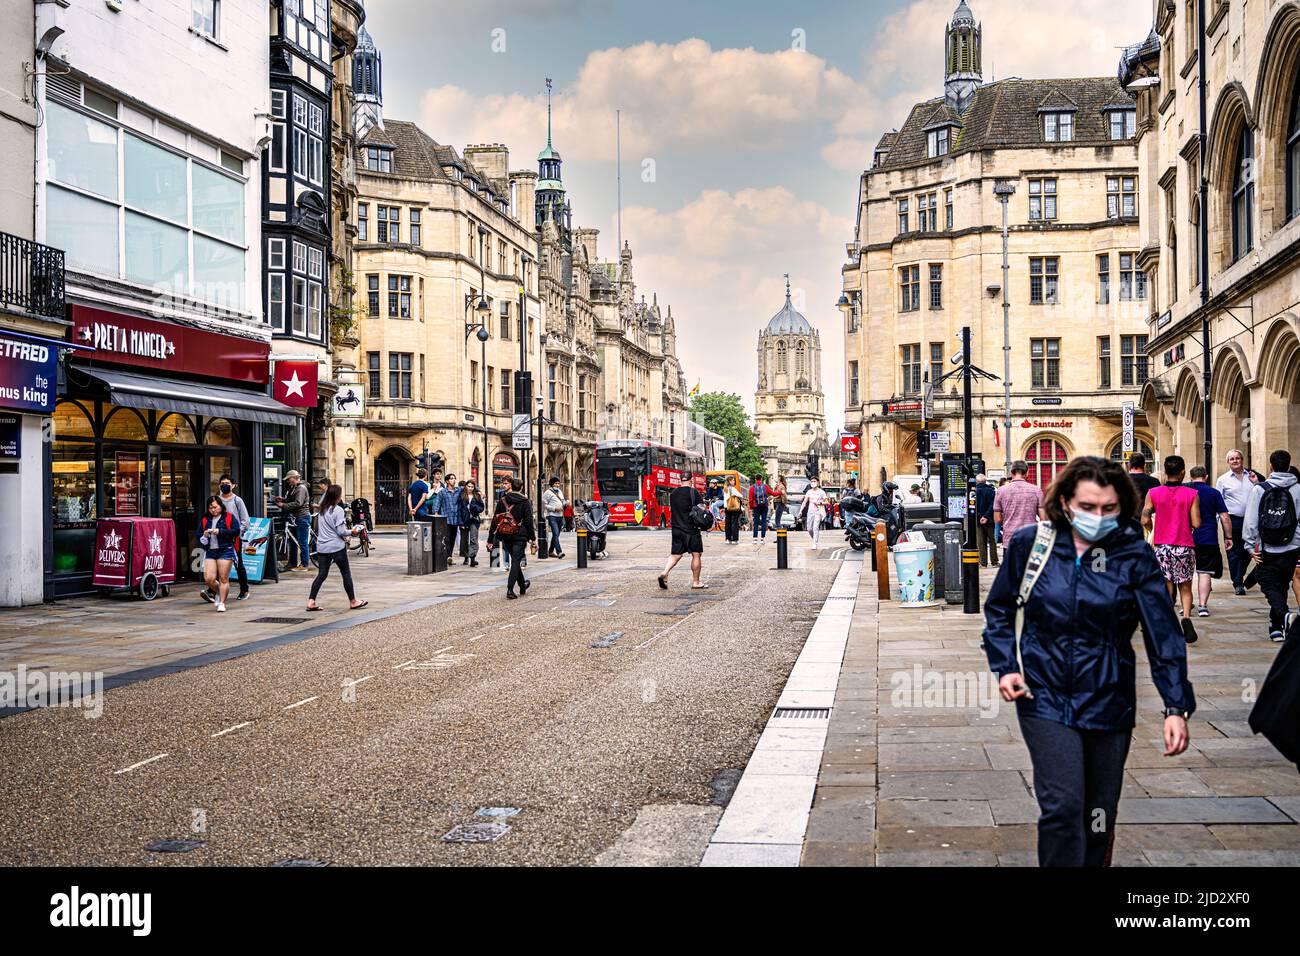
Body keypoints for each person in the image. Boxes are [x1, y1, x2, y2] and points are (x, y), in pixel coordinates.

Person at [983, 455, 1194, 867]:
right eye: (1087, 507)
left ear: (1123, 508)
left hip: (1109, 698)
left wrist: (1175, 706)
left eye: (1109, 509)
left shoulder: (1133, 555)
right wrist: (1006, 665)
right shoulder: (1032, 545)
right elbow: (1000, 610)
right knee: (1062, 806)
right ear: (1064, 503)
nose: (1098, 517)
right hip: (1043, 695)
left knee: (1098, 814)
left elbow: (1163, 634)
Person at [1242, 449, 1300, 642]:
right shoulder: (1298, 488)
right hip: (1293, 546)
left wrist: (1250, 546)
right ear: (1289, 465)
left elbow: (1251, 521)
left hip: (1266, 547)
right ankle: (1276, 628)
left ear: (1271, 466)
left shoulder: (1260, 489)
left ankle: (1284, 615)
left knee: (1268, 583)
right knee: (1282, 585)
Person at [1143, 455, 1202, 643]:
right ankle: (1186, 618)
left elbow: (1144, 518)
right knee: (1185, 587)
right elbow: (1196, 522)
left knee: (1166, 586)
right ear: (1183, 472)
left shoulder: (1153, 493)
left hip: (1162, 546)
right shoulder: (1192, 494)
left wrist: (1153, 528)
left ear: (1165, 471)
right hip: (1184, 545)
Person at [306, 484, 367, 612]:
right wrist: (353, 532)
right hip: (336, 547)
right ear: (337, 496)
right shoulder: (338, 510)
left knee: (322, 574)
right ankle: (353, 601)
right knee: (345, 573)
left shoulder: (322, 509)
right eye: (340, 494)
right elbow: (340, 531)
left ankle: (311, 601)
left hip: (322, 547)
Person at [1189, 465, 1231, 618]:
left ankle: (1187, 604)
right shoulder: (1214, 493)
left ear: (1191, 478)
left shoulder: (1187, 492)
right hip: (1208, 537)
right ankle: (1202, 606)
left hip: (1186, 537)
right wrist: (1229, 537)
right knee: (1204, 572)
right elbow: (1225, 517)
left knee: (1186, 575)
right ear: (1206, 477)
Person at [486, 476, 537, 599]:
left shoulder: (502, 500)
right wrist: (533, 539)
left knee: (515, 560)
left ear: (511, 486)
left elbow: (495, 520)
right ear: (521, 487)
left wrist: (490, 539)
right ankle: (510, 589)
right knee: (516, 560)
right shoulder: (524, 501)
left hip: (505, 534)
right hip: (520, 535)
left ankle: (523, 584)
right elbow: (529, 521)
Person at [1216, 449, 1259, 594]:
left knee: (1248, 551)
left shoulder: (1252, 476)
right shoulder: (1223, 479)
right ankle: (1238, 583)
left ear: (1242, 460)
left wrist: (1257, 482)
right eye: (1232, 459)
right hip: (1232, 520)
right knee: (1233, 551)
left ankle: (1239, 576)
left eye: (1237, 458)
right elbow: (1219, 501)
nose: (1235, 461)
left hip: (1251, 520)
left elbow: (1261, 493)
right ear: (1228, 462)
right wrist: (1219, 520)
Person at [202, 475, 250, 604]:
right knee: (216, 564)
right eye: (222, 483)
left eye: (227, 483)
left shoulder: (237, 500)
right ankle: (212, 590)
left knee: (238, 563)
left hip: (233, 537)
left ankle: (244, 589)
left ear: (233, 485)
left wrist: (237, 533)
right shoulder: (217, 500)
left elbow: (245, 520)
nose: (225, 485)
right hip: (216, 537)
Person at [658, 481, 707, 590]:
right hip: (691, 529)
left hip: (676, 528)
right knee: (696, 554)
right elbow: (702, 508)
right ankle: (696, 582)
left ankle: (665, 572)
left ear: (680, 480)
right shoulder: (693, 492)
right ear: (691, 480)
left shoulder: (673, 493)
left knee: (676, 554)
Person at [198, 495, 238, 613]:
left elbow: (236, 531)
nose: (213, 510)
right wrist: (204, 535)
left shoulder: (229, 517)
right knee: (209, 579)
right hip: (210, 551)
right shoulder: (205, 519)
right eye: (210, 508)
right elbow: (199, 534)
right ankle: (218, 592)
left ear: (221, 506)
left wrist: (221, 532)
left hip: (225, 549)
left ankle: (222, 602)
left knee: (223, 578)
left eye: (215, 507)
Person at [993, 460, 1044, 549]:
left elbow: (997, 519)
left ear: (1011, 472)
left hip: (1010, 539)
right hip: (1030, 539)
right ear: (1027, 473)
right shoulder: (1036, 490)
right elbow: (1044, 518)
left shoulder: (1001, 491)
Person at [277, 470, 311, 570]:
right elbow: (292, 500)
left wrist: (284, 505)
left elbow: (298, 503)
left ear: (294, 478)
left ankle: (304, 565)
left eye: (289, 479)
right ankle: (292, 563)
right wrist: (283, 499)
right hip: (296, 518)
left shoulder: (301, 488)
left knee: (302, 542)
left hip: (302, 517)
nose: (288, 481)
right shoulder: (295, 488)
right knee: (292, 542)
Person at [458, 480, 485, 567]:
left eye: (472, 487)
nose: (470, 488)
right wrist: (460, 522)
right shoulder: (461, 495)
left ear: (474, 488)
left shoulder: (477, 496)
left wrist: (474, 507)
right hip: (464, 520)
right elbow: (459, 510)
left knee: (473, 539)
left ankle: (472, 558)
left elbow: (481, 508)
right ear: (466, 486)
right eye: (468, 486)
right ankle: (466, 557)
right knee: (464, 540)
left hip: (474, 520)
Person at [975, 473, 998, 568]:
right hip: (989, 520)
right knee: (992, 541)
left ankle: (983, 563)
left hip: (978, 520)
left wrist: (980, 516)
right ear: (985, 481)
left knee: (981, 542)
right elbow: (993, 505)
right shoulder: (991, 491)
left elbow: (974, 506)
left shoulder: (973, 491)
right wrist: (986, 516)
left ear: (977, 481)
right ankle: (994, 562)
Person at [437, 474, 462, 559]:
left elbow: (469, 486)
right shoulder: (442, 492)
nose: (454, 480)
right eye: (451, 479)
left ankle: (449, 555)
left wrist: (480, 491)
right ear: (447, 481)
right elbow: (437, 503)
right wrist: (436, 513)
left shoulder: (458, 490)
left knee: (453, 538)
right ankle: (448, 556)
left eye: (454, 478)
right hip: (446, 519)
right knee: (447, 538)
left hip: (455, 519)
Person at [801, 478, 830, 550]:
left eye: (814, 481)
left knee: (815, 527)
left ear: (818, 482)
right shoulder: (809, 492)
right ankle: (814, 538)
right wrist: (800, 511)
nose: (813, 482)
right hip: (810, 512)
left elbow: (827, 502)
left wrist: (820, 503)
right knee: (809, 529)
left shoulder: (821, 492)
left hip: (818, 511)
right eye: (812, 481)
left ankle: (814, 543)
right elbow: (804, 502)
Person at [542, 476, 566, 558]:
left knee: (556, 535)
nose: (557, 485)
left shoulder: (560, 491)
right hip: (552, 516)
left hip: (560, 516)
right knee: (555, 533)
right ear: (552, 484)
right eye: (556, 483)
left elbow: (562, 501)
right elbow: (544, 505)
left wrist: (565, 503)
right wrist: (554, 508)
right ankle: (559, 552)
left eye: (558, 483)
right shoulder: (547, 493)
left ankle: (550, 551)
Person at [749, 475, 771, 541]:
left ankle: (755, 538)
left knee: (756, 522)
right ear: (761, 479)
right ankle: (762, 538)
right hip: (764, 506)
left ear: (755, 479)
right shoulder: (765, 486)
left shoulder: (752, 487)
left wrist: (751, 507)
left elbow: (750, 499)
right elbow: (772, 493)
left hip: (756, 506)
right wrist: (781, 492)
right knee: (764, 521)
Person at [723, 476, 744, 543]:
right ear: (730, 481)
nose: (734, 481)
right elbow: (741, 496)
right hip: (733, 508)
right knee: (734, 523)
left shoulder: (725, 489)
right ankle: (734, 539)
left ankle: (728, 539)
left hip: (727, 507)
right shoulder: (732, 489)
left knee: (727, 523)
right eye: (733, 480)